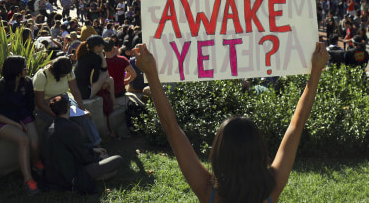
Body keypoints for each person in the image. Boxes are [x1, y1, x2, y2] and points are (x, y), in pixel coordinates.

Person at [133, 42, 328, 203]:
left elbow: (171, 129)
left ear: (219, 154)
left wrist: (151, 74)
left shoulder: (207, 191)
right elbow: (297, 125)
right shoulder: (271, 189)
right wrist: (316, 71)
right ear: (260, 152)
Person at [41, 95, 123, 194]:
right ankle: (93, 178)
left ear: (52, 112)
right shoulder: (72, 128)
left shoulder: (47, 130)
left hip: (52, 177)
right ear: (69, 108)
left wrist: (92, 149)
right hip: (71, 177)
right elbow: (83, 157)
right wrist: (98, 158)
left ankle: (100, 175)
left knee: (107, 165)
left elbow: (70, 149)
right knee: (117, 159)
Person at [0, 56, 42, 195]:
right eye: (24, 67)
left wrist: (28, 119)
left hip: (23, 116)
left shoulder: (27, 82)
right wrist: (16, 125)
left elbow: (30, 103)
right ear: (16, 69)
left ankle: (36, 164)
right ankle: (28, 180)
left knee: (35, 142)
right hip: (3, 120)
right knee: (24, 140)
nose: (27, 69)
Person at [33, 56, 102, 147]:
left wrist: (82, 108)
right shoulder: (42, 76)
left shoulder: (68, 72)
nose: (65, 76)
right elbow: (39, 103)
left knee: (85, 117)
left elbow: (75, 91)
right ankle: (78, 151)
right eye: (63, 75)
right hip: (48, 105)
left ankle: (97, 145)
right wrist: (59, 114)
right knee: (64, 125)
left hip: (64, 100)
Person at [73, 35, 116, 107]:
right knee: (106, 74)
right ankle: (114, 103)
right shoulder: (95, 58)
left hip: (78, 91)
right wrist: (102, 55)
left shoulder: (84, 54)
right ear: (96, 47)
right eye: (102, 45)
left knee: (110, 80)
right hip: (85, 94)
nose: (103, 47)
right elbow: (96, 77)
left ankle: (114, 103)